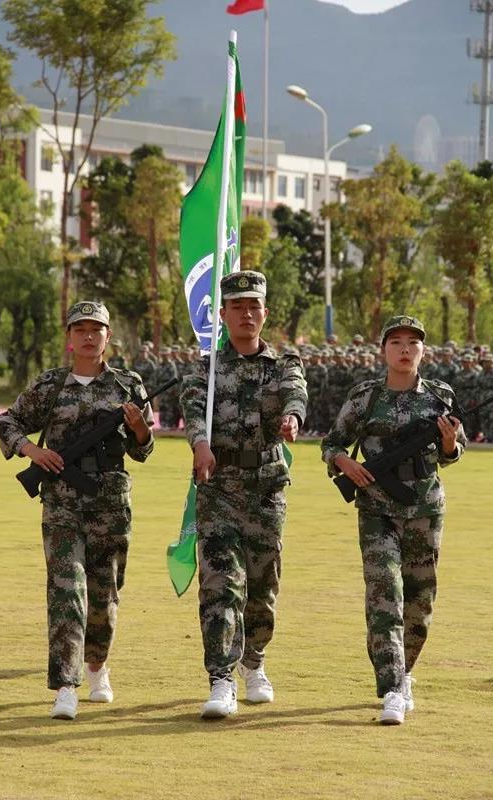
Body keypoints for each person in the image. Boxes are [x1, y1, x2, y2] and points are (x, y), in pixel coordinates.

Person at [0, 301, 154, 720]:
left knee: (104, 594)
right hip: (62, 504)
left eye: (95, 329)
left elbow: (143, 451)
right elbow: (8, 422)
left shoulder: (128, 385)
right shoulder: (50, 385)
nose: (88, 336)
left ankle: (97, 666)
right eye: (79, 329)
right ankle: (66, 686)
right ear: (69, 337)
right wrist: (32, 451)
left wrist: (139, 428)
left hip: (110, 504)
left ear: (107, 336)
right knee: (66, 590)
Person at [321, 315, 466, 726]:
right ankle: (391, 688)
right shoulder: (366, 397)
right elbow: (332, 442)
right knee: (385, 593)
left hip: (425, 508)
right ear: (383, 349)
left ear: (422, 351)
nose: (405, 349)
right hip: (377, 509)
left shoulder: (440, 396)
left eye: (413, 343)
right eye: (396, 342)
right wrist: (345, 462)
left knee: (420, 600)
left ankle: (405, 672)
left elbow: (453, 454)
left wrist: (449, 443)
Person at [180, 270, 308, 719]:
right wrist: (200, 444)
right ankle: (221, 678)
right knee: (221, 584)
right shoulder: (207, 369)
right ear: (223, 314)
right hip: (218, 487)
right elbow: (194, 409)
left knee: (261, 585)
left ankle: (253, 661)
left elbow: (295, 395)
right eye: (237, 306)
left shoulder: (284, 365)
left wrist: (292, 419)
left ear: (265, 313)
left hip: (266, 489)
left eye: (254, 306)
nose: (246, 314)